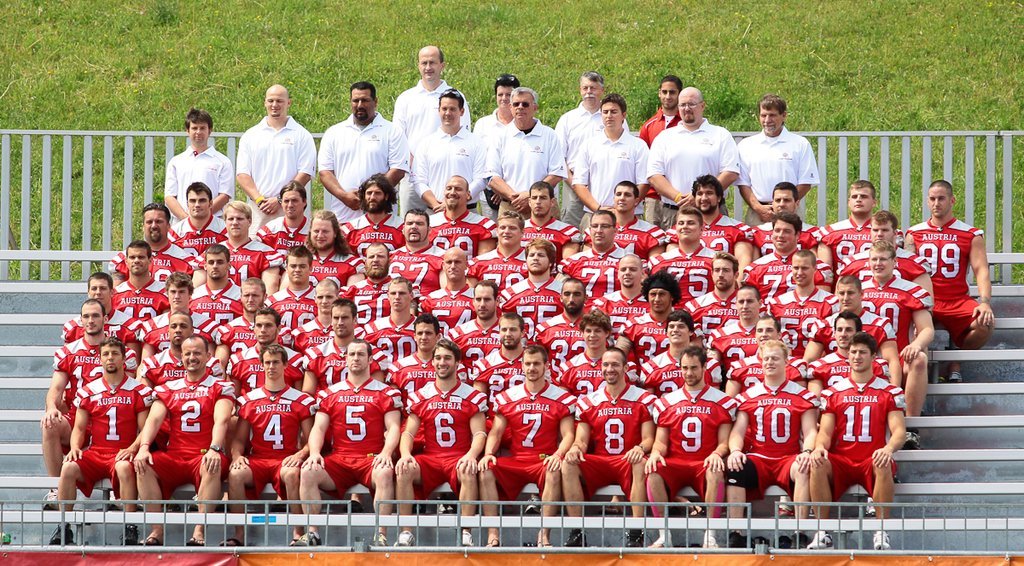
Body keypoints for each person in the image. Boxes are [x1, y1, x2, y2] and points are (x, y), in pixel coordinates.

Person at [297, 339, 402, 547]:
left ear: (370, 360)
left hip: (371, 457)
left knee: (384, 472)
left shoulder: (385, 392)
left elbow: (394, 427)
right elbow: (319, 428)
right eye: (352, 354)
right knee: (308, 471)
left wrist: (386, 452)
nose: (356, 358)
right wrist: (315, 452)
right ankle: (312, 532)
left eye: (361, 354)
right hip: (340, 458)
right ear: (345, 359)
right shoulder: (330, 393)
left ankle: (381, 534)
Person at [807, 332, 906, 551]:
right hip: (842, 459)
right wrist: (819, 447)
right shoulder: (834, 392)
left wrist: (888, 448)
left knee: (883, 462)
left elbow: (899, 431)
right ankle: (822, 531)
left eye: (862, 352)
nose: (856, 356)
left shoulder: (889, 391)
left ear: (873, 357)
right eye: (853, 352)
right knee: (818, 462)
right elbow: (825, 432)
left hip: (871, 458)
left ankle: (881, 530)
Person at [133, 335, 235, 546]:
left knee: (212, 464)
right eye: (187, 353)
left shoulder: (219, 386)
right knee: (144, 464)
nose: (192, 357)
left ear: (208, 356)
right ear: (181, 357)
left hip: (203, 454)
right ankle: (156, 530)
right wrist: (143, 447)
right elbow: (154, 420)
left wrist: (215, 448)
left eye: (197, 353)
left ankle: (199, 531)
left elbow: (222, 420)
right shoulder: (169, 387)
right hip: (176, 455)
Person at [49, 337, 152, 546]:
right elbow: (79, 428)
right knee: (68, 467)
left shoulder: (138, 390)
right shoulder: (89, 390)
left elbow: (145, 428)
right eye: (106, 354)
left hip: (122, 451)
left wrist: (133, 448)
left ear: (124, 358)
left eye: (115, 353)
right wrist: (75, 447)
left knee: (124, 467)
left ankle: (130, 525)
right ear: (100, 358)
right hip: (96, 451)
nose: (110, 358)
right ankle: (63, 526)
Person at [478, 344, 576, 547]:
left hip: (544, 459)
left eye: (537, 364)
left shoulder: (561, 398)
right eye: (528, 364)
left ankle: (544, 534)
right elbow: (496, 432)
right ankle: (493, 534)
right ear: (522, 366)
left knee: (554, 469)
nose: (532, 368)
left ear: (546, 366)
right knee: (486, 469)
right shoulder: (508, 397)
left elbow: (568, 434)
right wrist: (488, 453)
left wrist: (558, 454)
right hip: (517, 459)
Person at [395, 340, 488, 547]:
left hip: (458, 456)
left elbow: (480, 433)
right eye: (437, 358)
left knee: (468, 469)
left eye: (447, 358)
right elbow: (408, 432)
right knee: (404, 469)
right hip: (431, 457)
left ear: (457, 362)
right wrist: (405, 454)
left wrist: (471, 455)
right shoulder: (422, 395)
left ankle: (466, 531)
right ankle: (406, 531)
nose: (442, 362)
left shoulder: (472, 396)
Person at [726, 340, 818, 547]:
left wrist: (807, 451)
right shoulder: (748, 396)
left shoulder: (802, 395)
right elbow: (738, 431)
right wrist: (735, 450)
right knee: (735, 467)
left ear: (786, 361)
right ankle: (736, 532)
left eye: (775, 358)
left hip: (788, 457)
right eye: (766, 358)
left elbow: (811, 431)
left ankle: (800, 531)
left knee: (804, 467)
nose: (770, 362)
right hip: (759, 457)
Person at [562, 348, 656, 548]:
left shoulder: (643, 398)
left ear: (626, 368)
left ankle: (636, 531)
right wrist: (575, 448)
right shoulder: (589, 401)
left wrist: (640, 448)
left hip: (628, 460)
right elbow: (581, 440)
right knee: (568, 464)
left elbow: (649, 438)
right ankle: (576, 530)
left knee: (640, 462)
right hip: (601, 460)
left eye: (615, 364)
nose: (609, 369)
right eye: (605, 364)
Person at [645, 345, 736, 549]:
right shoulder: (667, 401)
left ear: (704, 367)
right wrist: (656, 453)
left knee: (716, 469)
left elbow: (724, 442)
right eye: (684, 368)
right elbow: (660, 441)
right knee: (653, 471)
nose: (688, 373)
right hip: (676, 462)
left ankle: (710, 535)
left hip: (704, 462)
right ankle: (664, 535)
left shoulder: (722, 401)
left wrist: (717, 453)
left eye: (694, 368)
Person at [225, 344, 316, 547]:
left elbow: (312, 439)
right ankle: (239, 534)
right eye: (267, 362)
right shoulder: (249, 400)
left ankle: (298, 532)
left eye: (276, 362)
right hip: (258, 458)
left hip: (285, 458)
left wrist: (300, 454)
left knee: (291, 474)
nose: (271, 367)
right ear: (261, 365)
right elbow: (239, 439)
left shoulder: (300, 399)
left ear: (285, 365)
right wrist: (237, 456)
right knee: (235, 474)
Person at [906, 179, 995, 383]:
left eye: (941, 198)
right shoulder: (914, 233)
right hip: (926, 300)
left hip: (957, 300)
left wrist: (984, 302)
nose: (936, 203)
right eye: (932, 199)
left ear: (952, 200)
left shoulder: (970, 234)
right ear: (927, 201)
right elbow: (907, 271)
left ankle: (954, 362)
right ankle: (920, 372)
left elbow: (981, 269)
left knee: (985, 324)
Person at [647, 87, 740, 230]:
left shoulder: (721, 135)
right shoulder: (664, 137)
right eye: (682, 105)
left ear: (702, 106)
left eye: (691, 104)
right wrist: (678, 197)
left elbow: (731, 172)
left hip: (712, 212)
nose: (686, 109)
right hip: (674, 212)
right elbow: (654, 175)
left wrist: (698, 196)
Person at [861, 241, 932, 426]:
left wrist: (916, 345)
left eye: (883, 259)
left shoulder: (911, 290)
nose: (878, 264)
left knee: (919, 359)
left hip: (899, 354)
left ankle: (911, 425)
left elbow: (927, 329)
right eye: (874, 259)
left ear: (895, 262)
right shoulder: (857, 290)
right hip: (863, 355)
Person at [394, 46, 472, 214]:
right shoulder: (405, 98)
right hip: (412, 177)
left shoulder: (456, 96)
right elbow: (398, 138)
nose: (428, 67)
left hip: (445, 175)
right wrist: (415, 167)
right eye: (424, 63)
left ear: (442, 65)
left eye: (432, 63)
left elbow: (463, 134)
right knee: (412, 224)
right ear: (418, 65)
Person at [318, 82, 409, 223]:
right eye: (355, 100)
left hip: (381, 217)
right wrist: (344, 196)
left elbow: (398, 170)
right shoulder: (334, 132)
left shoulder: (393, 131)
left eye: (365, 100)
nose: (360, 105)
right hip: (343, 216)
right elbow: (325, 172)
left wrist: (371, 196)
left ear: (375, 102)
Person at [235, 84, 317, 234]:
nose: (274, 105)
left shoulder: (302, 135)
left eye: (279, 101)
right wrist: (260, 200)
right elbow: (242, 174)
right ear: (264, 102)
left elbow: (305, 173)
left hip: (290, 207)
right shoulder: (250, 135)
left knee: (293, 248)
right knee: (256, 246)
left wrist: (280, 199)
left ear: (288, 103)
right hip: (259, 208)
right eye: (271, 100)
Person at [804, 276, 903, 388]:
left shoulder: (879, 325)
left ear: (861, 294)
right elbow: (809, 360)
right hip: (833, 376)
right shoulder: (824, 325)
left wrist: (894, 391)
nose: (845, 298)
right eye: (842, 293)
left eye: (850, 293)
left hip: (868, 377)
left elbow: (892, 361)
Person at [736, 94, 819, 226]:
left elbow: (806, 182)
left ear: (784, 115)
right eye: (763, 115)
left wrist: (785, 205)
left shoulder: (800, 144)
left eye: (772, 115)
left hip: (790, 213)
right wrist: (758, 208)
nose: (767, 120)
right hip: (758, 214)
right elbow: (743, 184)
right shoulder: (746, 145)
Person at [485, 87, 566, 215]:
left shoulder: (550, 135)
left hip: (543, 208)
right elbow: (492, 176)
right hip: (510, 207)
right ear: (510, 108)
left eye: (525, 104)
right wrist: (515, 198)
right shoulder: (499, 136)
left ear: (535, 107)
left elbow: (556, 174)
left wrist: (530, 196)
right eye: (516, 104)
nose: (520, 107)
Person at [412, 89, 486, 212]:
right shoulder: (426, 143)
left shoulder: (477, 143)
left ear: (461, 111)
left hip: (467, 212)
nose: (448, 113)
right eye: (444, 109)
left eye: (452, 109)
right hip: (435, 211)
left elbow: (481, 179)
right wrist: (437, 205)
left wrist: (454, 203)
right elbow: (419, 181)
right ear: (439, 110)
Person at [556, 71, 611, 229]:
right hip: (573, 185)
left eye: (593, 88)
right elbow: (559, 157)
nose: (589, 92)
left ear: (602, 90)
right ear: (580, 90)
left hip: (603, 186)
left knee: (601, 231)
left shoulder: (611, 116)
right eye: (585, 88)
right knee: (571, 231)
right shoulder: (568, 119)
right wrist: (575, 184)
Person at [743, 211, 833, 303]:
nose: (780, 235)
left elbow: (820, 304)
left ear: (798, 235)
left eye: (787, 231)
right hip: (766, 312)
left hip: (802, 311)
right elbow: (749, 304)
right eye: (777, 230)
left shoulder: (817, 267)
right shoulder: (755, 268)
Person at [767, 249, 839, 358]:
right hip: (785, 362)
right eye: (796, 268)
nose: (799, 273)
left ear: (815, 269)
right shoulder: (776, 303)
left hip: (818, 363)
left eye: (804, 268)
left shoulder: (832, 302)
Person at [303, 298, 384, 395]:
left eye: (345, 318)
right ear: (331, 320)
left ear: (355, 320)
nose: (340, 323)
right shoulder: (316, 354)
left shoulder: (373, 354)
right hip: (327, 403)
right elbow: (308, 394)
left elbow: (377, 394)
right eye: (336, 318)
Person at [840, 209, 932, 293]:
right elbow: (841, 299)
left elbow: (924, 301)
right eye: (875, 230)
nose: (879, 234)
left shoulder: (915, 264)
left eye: (884, 230)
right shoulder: (853, 263)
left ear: (895, 233)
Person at [164, 108, 233, 220]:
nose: (198, 132)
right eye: (194, 128)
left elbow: (225, 195)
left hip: (213, 222)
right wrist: (187, 219)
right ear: (187, 131)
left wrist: (203, 216)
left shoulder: (223, 161)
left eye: (202, 128)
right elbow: (169, 196)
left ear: (210, 130)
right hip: (181, 223)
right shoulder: (176, 161)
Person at [807, 311, 891, 395]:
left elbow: (882, 397)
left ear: (858, 333)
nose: (843, 334)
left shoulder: (878, 365)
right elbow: (816, 401)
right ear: (834, 333)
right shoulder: (819, 366)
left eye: (848, 330)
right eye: (839, 330)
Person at [137, 272, 218, 358]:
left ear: (190, 294)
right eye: (173, 292)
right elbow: (146, 363)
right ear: (167, 294)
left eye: (181, 292)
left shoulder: (207, 325)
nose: (177, 296)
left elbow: (209, 362)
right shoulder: (152, 326)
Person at [474, 73, 521, 220]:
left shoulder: (524, 124)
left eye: (509, 94)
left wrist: (505, 191)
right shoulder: (483, 125)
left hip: (517, 193)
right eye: (500, 94)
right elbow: (478, 159)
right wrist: (496, 188)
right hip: (490, 194)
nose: (504, 98)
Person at [110, 202, 195, 283]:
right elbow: (116, 292)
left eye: (159, 221)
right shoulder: (126, 258)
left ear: (168, 226)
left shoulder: (185, 261)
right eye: (149, 222)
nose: (154, 226)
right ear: (143, 227)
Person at [227, 306, 305, 395]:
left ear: (279, 328)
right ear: (253, 328)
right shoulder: (238, 360)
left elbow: (299, 398)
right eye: (259, 325)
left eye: (268, 325)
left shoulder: (295, 360)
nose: (263, 330)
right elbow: (233, 398)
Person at [638, 75, 683, 226]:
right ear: (659, 93)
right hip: (653, 196)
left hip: (679, 194)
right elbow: (644, 162)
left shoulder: (686, 124)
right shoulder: (648, 126)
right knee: (654, 237)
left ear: (679, 94)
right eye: (664, 92)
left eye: (672, 92)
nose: (668, 96)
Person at [649, 206, 717, 306]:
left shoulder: (716, 259)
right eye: (681, 223)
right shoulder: (659, 261)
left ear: (702, 229)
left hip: (705, 312)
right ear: (676, 228)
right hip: (673, 313)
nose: (685, 226)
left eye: (691, 223)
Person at [639, 310, 716, 395]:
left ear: (691, 332)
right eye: (671, 326)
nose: (675, 330)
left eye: (681, 326)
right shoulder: (651, 367)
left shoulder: (710, 365)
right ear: (666, 332)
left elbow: (714, 398)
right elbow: (650, 402)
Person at [499, 238, 564, 338]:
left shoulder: (564, 292)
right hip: (521, 345)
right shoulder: (510, 294)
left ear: (551, 262)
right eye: (532, 255)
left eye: (541, 255)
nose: (535, 258)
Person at [615, 270, 681, 365]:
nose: (657, 299)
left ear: (672, 296)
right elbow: (617, 358)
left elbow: (695, 356)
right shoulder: (633, 325)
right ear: (647, 296)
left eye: (662, 294)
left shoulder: (683, 323)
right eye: (653, 294)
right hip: (642, 374)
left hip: (675, 374)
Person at [693, 174, 756, 271]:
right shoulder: (683, 228)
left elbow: (743, 267)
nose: (704, 198)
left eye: (709, 193)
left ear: (719, 198)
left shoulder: (738, 229)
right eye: (700, 194)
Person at [560, 209, 626, 297]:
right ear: (590, 230)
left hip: (615, 305)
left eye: (605, 226)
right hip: (583, 306)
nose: (599, 230)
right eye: (595, 226)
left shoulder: (628, 260)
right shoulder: (573, 261)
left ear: (615, 230)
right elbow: (559, 293)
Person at [428, 175, 497, 257]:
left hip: (470, 265)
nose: (452, 193)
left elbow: (483, 261)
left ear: (468, 195)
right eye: (449, 188)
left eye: (458, 189)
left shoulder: (485, 225)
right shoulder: (429, 223)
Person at [222, 201, 284, 292]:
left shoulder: (265, 253)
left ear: (249, 221)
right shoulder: (214, 251)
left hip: (252, 300)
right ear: (225, 222)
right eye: (231, 219)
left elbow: (269, 290)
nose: (235, 222)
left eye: (239, 219)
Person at [555, 309, 619, 397]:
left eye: (597, 331)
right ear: (582, 333)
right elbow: (564, 402)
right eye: (588, 331)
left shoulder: (619, 365)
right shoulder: (569, 367)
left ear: (607, 333)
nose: (592, 335)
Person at [816, 180, 878, 270]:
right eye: (854, 197)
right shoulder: (831, 231)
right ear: (849, 202)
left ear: (874, 202)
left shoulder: (884, 231)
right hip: (842, 278)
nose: (858, 200)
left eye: (864, 196)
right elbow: (825, 271)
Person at [535, 277, 587, 380]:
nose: (571, 299)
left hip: (585, 384)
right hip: (555, 385)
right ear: (561, 297)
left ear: (586, 298)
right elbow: (538, 361)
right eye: (567, 294)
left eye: (577, 294)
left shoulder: (595, 327)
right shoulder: (546, 328)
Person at [341, 174, 406, 256]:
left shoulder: (402, 228)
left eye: (377, 193)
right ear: (364, 196)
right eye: (369, 193)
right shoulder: (350, 229)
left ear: (386, 196)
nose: (372, 197)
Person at [361, 277, 417, 369]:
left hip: (410, 375)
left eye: (402, 293)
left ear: (411, 296)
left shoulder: (422, 327)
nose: (397, 297)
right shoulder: (373, 328)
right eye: (393, 293)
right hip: (382, 376)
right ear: (388, 296)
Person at [750, 182, 820, 256]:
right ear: (772, 203)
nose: (781, 204)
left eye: (787, 200)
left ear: (797, 203)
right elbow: (753, 262)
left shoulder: (813, 233)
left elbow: (815, 262)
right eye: (778, 200)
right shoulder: (757, 232)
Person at [471, 312, 526, 405]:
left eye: (513, 329)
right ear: (499, 332)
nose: (508, 334)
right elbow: (479, 405)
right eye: (504, 329)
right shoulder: (485, 364)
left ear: (522, 333)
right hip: (494, 414)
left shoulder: (533, 362)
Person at [599, 180, 666, 257]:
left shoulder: (652, 232)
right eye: (618, 194)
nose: (622, 198)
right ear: (614, 199)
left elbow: (655, 263)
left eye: (627, 195)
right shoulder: (598, 228)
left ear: (636, 201)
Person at [212, 278, 269, 368]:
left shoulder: (276, 329)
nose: (250, 299)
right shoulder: (228, 330)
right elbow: (220, 367)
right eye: (246, 295)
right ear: (241, 297)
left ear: (265, 297)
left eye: (255, 295)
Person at [388, 314, 444, 404]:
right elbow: (394, 404)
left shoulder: (447, 366)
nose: (424, 337)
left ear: (438, 337)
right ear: (414, 336)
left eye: (428, 333)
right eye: (420, 333)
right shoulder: (398, 368)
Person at [419, 247, 476, 335]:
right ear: (443, 265)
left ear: (466, 265)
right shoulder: (430, 299)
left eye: (457, 262)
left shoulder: (477, 297)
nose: (453, 266)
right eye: (449, 262)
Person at [467, 210, 527, 292]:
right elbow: (470, 295)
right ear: (497, 231)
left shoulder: (531, 261)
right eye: (502, 228)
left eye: (512, 228)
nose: (506, 231)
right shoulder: (478, 263)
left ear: (522, 233)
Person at [683, 251, 740, 338]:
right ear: (712, 274)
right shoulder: (694, 306)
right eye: (717, 270)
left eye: (726, 270)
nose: (721, 275)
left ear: (736, 275)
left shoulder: (747, 304)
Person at [522, 181, 584, 259]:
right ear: (529, 202)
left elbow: (568, 264)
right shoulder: (518, 229)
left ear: (552, 202)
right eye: (534, 198)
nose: (538, 202)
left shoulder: (568, 231)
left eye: (543, 198)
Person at [390, 209, 445, 296]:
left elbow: (446, 293)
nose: (414, 227)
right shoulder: (390, 256)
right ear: (403, 229)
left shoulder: (442, 256)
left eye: (419, 224)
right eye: (409, 223)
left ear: (429, 230)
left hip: (426, 303)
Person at [589, 254, 648, 335]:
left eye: (633, 269)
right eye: (623, 269)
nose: (627, 272)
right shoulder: (603, 304)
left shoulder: (652, 303)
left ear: (642, 274)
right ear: (618, 274)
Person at [450, 280, 502, 370]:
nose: (482, 304)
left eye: (487, 299)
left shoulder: (507, 332)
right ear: (473, 301)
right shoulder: (458, 334)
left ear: (497, 301)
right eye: (478, 299)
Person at [169, 182, 228, 261]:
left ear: (210, 203)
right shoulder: (175, 233)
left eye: (202, 200)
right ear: (187, 204)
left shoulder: (224, 229)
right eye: (193, 201)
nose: (197, 205)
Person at [709, 284, 763, 369]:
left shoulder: (771, 332)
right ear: (736, 304)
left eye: (750, 301)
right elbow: (711, 368)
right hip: (732, 377)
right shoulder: (720, 335)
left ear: (760, 303)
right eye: (741, 302)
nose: (745, 306)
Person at [306, 210, 362, 288]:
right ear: (310, 232)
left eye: (325, 231)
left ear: (335, 233)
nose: (320, 235)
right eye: (316, 231)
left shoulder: (353, 264)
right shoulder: (300, 260)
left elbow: (352, 293)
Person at [269, 246, 317, 335]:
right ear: (286, 268)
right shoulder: (272, 302)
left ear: (310, 268)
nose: (297, 270)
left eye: (302, 266)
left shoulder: (321, 299)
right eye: (293, 266)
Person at [189, 244, 243, 326]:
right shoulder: (193, 296)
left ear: (229, 265)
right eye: (211, 262)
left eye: (220, 262)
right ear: (205, 266)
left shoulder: (241, 296)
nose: (215, 266)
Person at [256, 182, 311, 258]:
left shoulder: (314, 230)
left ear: (304, 202)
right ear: (281, 203)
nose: (290, 205)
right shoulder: (269, 230)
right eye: (286, 201)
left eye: (294, 200)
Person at [343, 243, 392, 326]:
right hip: (359, 333)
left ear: (389, 261)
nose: (375, 260)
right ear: (365, 262)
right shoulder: (353, 289)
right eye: (371, 257)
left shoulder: (399, 288)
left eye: (380, 256)